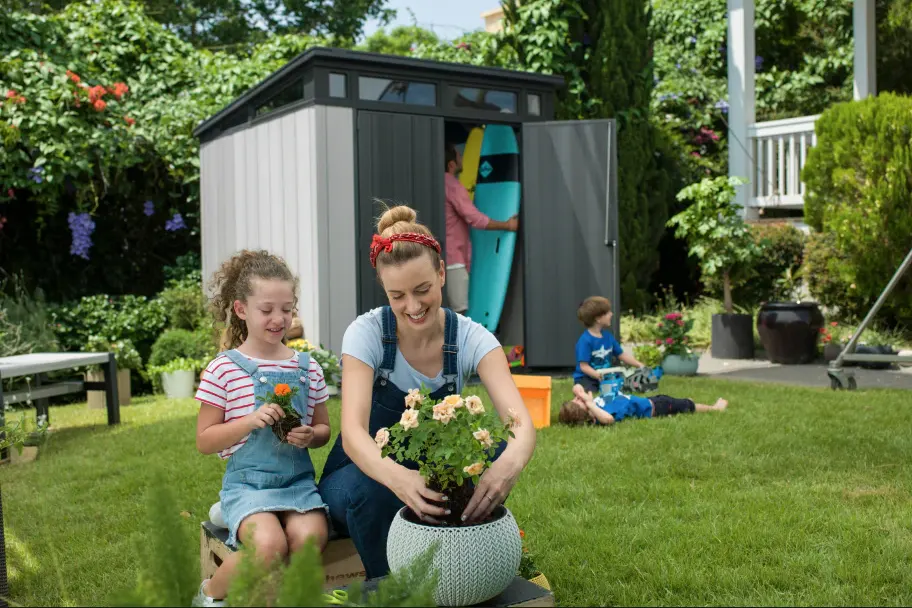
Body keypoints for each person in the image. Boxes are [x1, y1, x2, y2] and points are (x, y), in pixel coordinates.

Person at [317, 204, 536, 580]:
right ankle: (392, 589)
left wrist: (506, 468)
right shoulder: (366, 334)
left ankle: (462, 566)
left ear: (441, 273)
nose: (413, 306)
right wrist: (400, 479)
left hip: (430, 474)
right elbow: (353, 434)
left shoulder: (471, 338)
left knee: (497, 452)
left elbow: (521, 426)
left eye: (422, 290)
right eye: (397, 296)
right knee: (370, 491)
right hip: (358, 477)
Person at [192, 250, 332, 607]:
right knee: (269, 547)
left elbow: (323, 430)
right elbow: (204, 441)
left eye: (286, 309)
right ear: (241, 309)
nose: (278, 319)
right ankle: (209, 595)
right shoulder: (224, 369)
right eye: (266, 309)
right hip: (248, 485)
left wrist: (310, 436)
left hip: (296, 483)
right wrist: (248, 421)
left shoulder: (308, 368)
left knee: (311, 538)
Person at [444, 142, 519, 314]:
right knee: (459, 313)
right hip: (454, 260)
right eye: (459, 155)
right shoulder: (452, 185)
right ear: (452, 164)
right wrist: (507, 225)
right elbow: (474, 218)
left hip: (442, 258)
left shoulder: (437, 183)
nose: (462, 157)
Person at [573, 296, 646, 395]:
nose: (611, 314)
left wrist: (639, 365)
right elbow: (584, 367)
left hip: (606, 375)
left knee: (623, 388)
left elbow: (622, 355)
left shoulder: (608, 336)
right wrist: (598, 376)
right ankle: (579, 388)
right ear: (598, 319)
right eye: (607, 312)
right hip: (587, 377)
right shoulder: (585, 341)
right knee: (589, 394)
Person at [559, 383, 728, 426]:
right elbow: (609, 419)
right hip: (655, 406)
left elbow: (577, 387)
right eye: (578, 402)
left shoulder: (592, 408)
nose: (578, 397)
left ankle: (683, 405)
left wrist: (582, 396)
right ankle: (715, 408)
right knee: (687, 405)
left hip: (650, 400)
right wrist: (590, 404)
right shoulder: (599, 413)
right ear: (586, 411)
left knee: (680, 404)